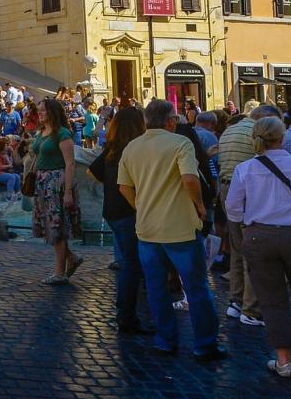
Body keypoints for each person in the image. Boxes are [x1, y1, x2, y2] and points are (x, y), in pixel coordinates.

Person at [224, 116, 291, 378]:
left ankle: (284, 360)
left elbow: (232, 207)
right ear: (282, 138)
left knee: (272, 299)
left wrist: (244, 224)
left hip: (259, 236)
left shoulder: (246, 169)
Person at [117, 99, 226, 361]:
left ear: (146, 121)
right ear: (171, 121)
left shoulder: (132, 147)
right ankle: (205, 344)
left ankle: (165, 340)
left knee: (156, 288)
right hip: (180, 229)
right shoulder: (180, 143)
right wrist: (200, 205)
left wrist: (140, 205)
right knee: (196, 287)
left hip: (147, 229)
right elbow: (189, 178)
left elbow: (124, 186)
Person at [88, 106, 150, 332]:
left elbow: (92, 172)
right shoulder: (136, 149)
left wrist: (111, 184)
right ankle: (126, 315)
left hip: (112, 211)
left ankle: (125, 309)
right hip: (129, 211)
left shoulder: (112, 148)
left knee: (129, 261)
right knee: (132, 264)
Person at [217, 104, 276, 328]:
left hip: (226, 190)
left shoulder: (230, 130)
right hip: (248, 190)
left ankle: (235, 301)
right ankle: (251, 309)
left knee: (237, 248)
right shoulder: (259, 133)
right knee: (253, 249)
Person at [30, 98, 83, 284]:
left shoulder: (62, 133)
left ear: (52, 112)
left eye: (43, 110)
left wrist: (68, 191)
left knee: (56, 227)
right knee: (51, 226)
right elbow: (37, 156)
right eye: (39, 110)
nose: (40, 113)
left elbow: (70, 163)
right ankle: (71, 258)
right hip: (43, 183)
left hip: (56, 183)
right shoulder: (42, 132)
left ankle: (60, 273)